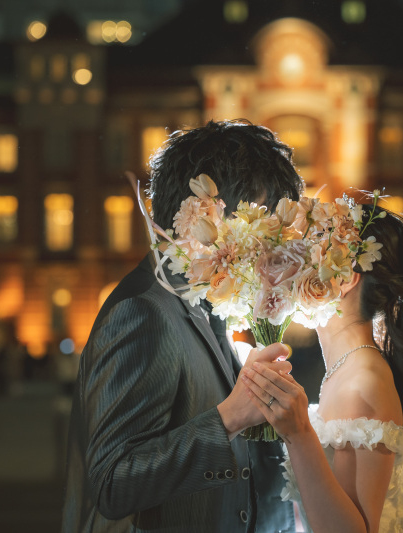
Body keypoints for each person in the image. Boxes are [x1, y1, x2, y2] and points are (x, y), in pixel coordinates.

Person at [63, 120, 303, 532]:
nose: (270, 245)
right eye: (261, 224)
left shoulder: (204, 300)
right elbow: (112, 482)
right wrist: (229, 418)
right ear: (207, 213)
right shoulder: (142, 311)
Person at [242, 204, 403, 532]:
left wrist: (299, 433)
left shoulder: (362, 383)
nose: (292, 268)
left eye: (309, 256)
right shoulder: (346, 372)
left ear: (346, 278)